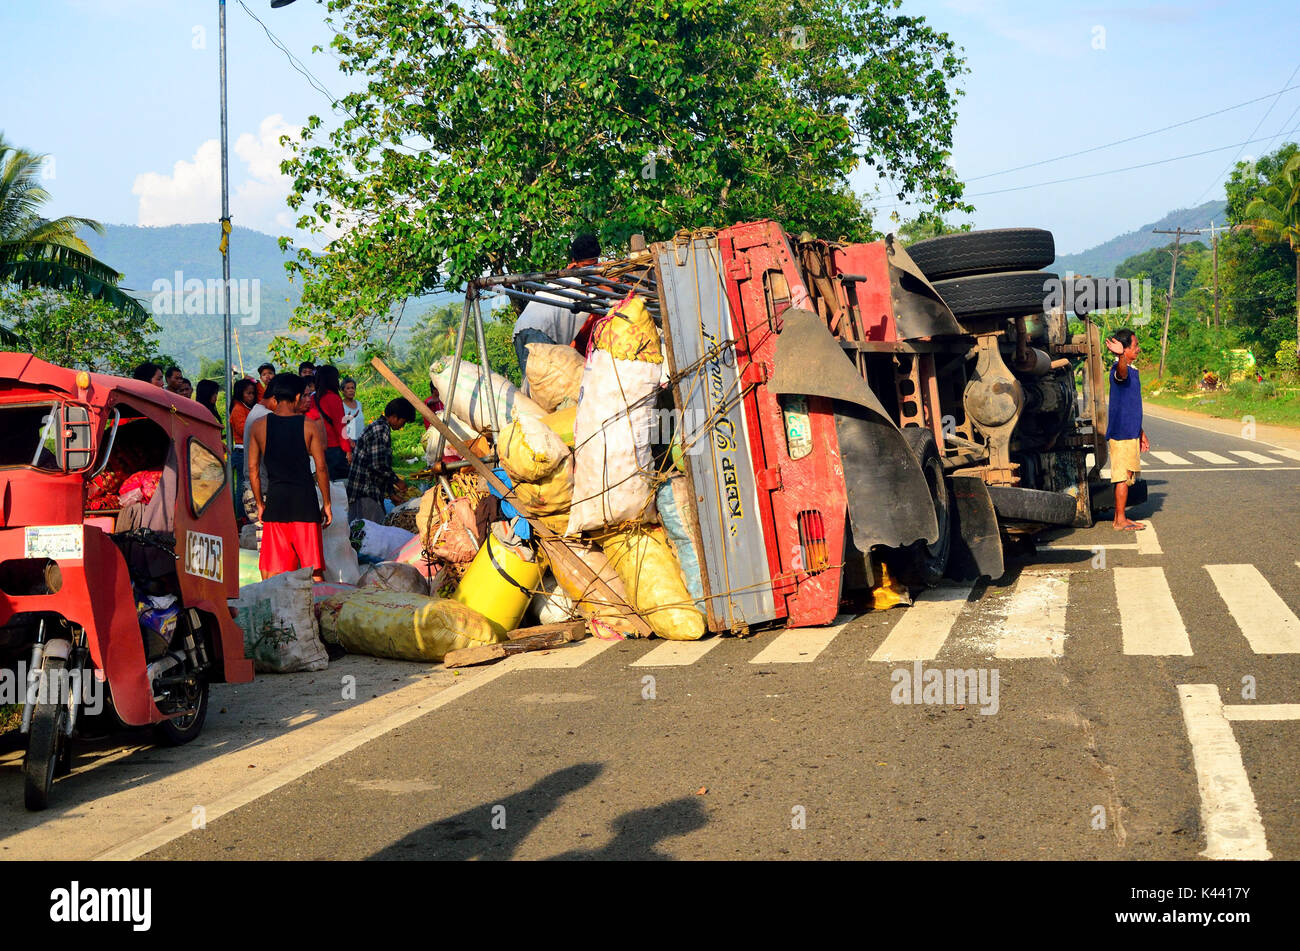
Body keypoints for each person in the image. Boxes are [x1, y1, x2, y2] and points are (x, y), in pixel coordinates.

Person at [246, 374, 331, 581]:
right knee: (314, 572)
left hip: (276, 502)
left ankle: (280, 613)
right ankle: (320, 611)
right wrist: (327, 503)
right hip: (305, 503)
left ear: (275, 397)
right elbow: (321, 467)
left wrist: (259, 503)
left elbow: (253, 468)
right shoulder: (308, 425)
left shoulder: (259, 426)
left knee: (274, 573)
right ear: (297, 396)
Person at [512, 233, 600, 383]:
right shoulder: (586, 281)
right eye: (592, 264)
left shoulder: (562, 279)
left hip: (520, 331)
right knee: (549, 391)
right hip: (541, 334)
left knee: (534, 391)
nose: (594, 268)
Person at [1105, 328, 1149, 531]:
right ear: (1125, 350)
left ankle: (1120, 517)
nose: (1138, 349)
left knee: (1127, 475)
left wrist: (1140, 432)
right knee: (1122, 476)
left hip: (1130, 432)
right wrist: (1120, 354)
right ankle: (1119, 520)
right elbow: (1121, 373)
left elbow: (1131, 406)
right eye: (1135, 346)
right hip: (1121, 433)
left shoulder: (1133, 370)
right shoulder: (1119, 369)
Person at [347, 398, 415, 523]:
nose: (402, 426)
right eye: (403, 422)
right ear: (394, 417)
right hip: (365, 491)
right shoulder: (381, 430)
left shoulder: (380, 427)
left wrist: (391, 493)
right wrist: (397, 481)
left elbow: (381, 465)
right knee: (368, 531)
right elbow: (378, 466)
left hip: (368, 490)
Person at [305, 364, 353, 481]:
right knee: (339, 482)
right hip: (334, 448)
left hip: (317, 446)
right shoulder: (333, 398)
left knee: (324, 480)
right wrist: (347, 450)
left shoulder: (312, 398)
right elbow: (340, 426)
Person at [341, 377, 365, 443]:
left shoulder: (359, 404)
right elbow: (339, 426)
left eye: (353, 388)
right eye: (348, 388)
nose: (351, 390)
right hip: (349, 441)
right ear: (342, 391)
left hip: (361, 440)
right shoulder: (341, 405)